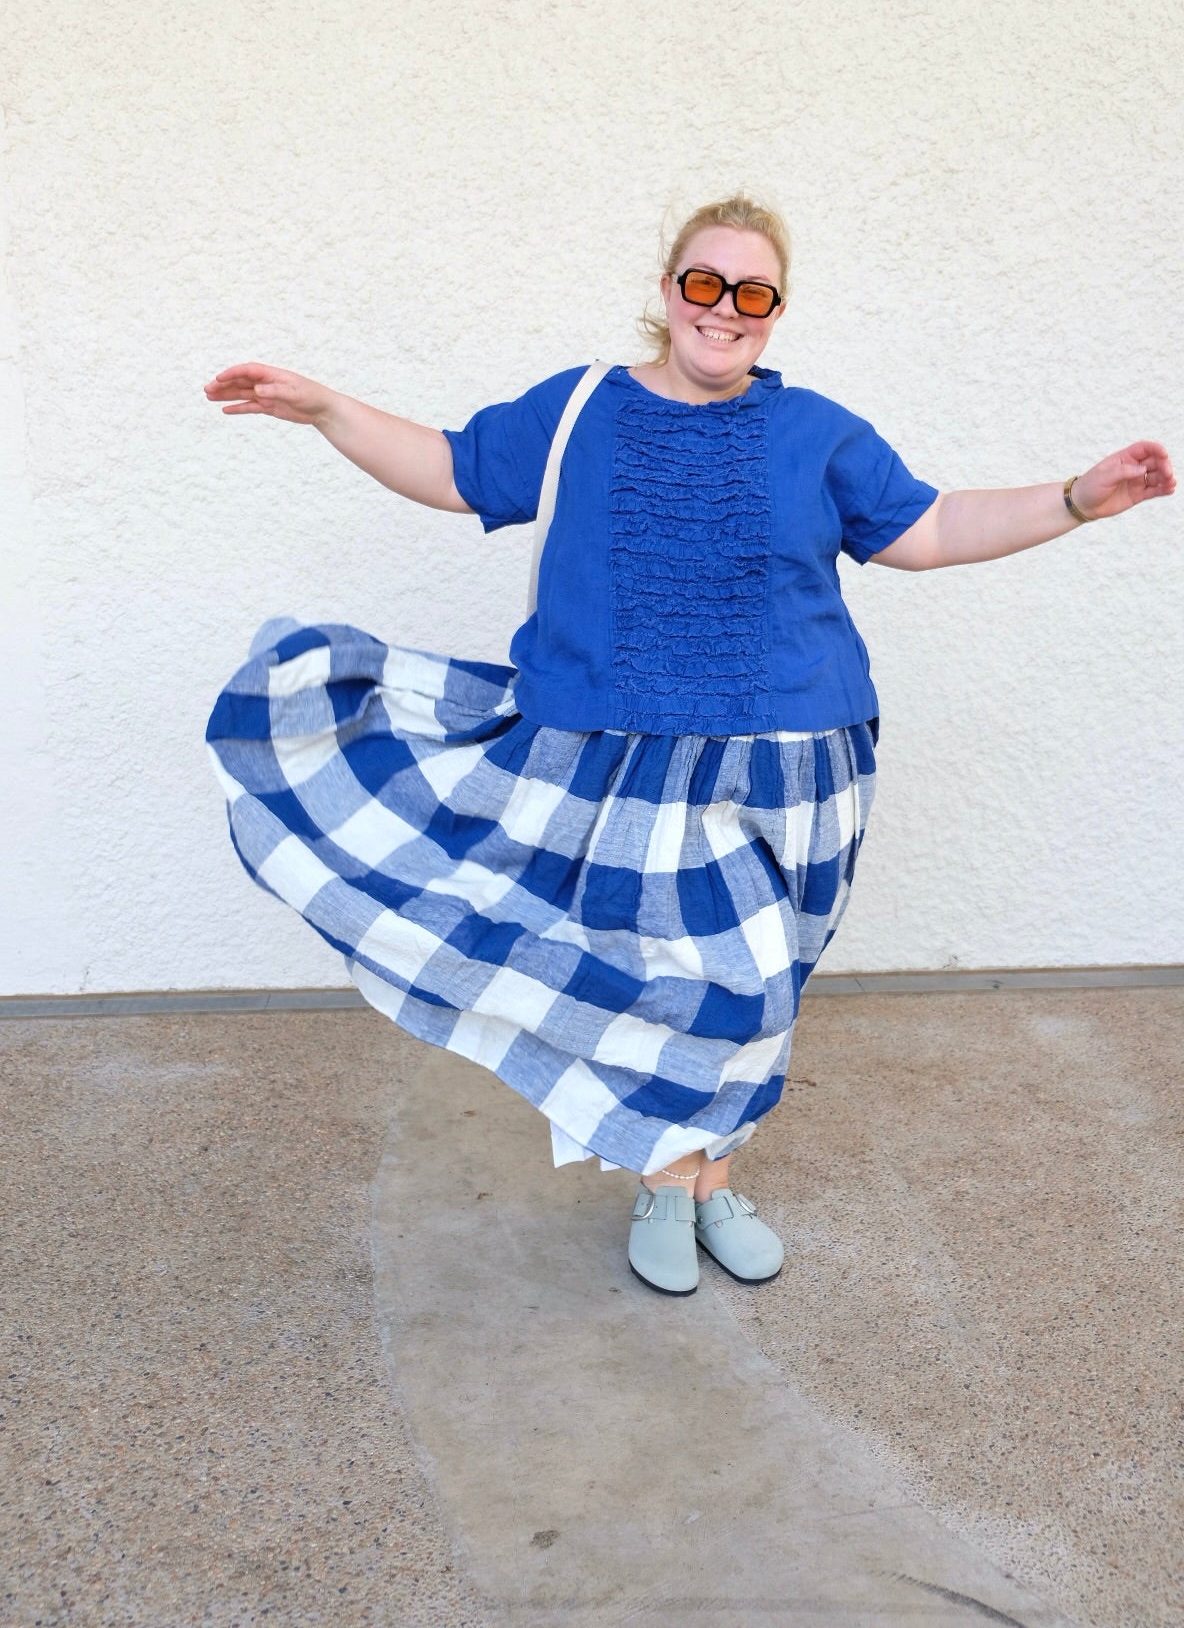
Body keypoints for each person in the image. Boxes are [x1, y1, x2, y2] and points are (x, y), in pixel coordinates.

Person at [204, 194, 1175, 1298]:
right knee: (683, 983)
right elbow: (452, 469)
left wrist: (1075, 500)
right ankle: (675, 1183)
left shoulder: (818, 432)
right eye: (703, 284)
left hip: (802, 755)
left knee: (762, 990)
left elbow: (933, 528)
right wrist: (328, 407)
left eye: (751, 294)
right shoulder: (579, 411)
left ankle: (702, 1176)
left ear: (773, 314)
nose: (724, 309)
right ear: (666, 292)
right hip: (621, 755)